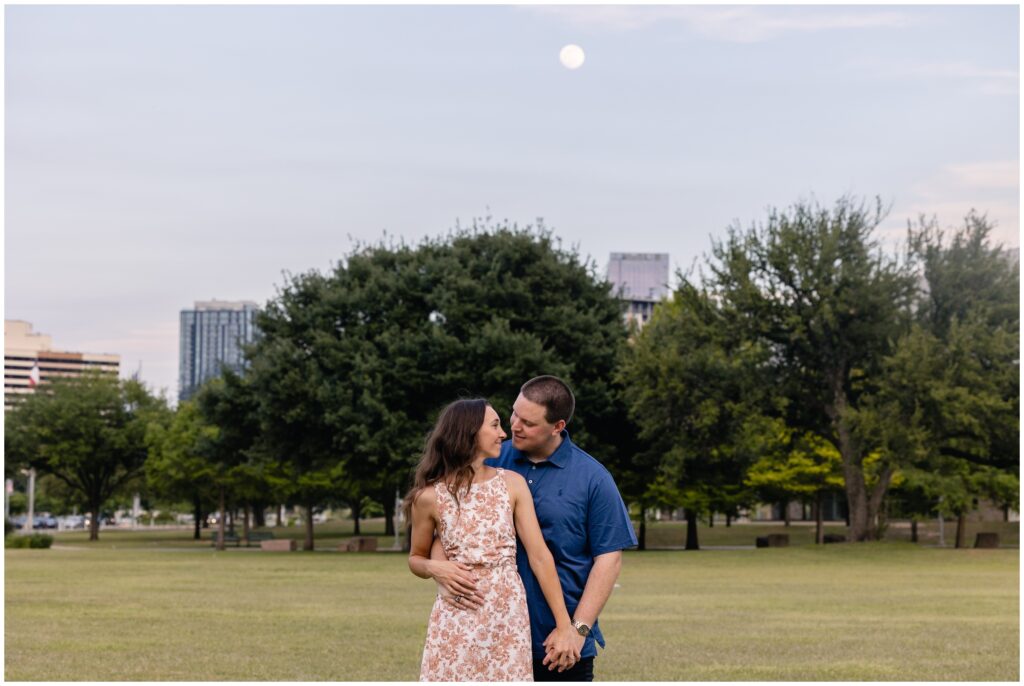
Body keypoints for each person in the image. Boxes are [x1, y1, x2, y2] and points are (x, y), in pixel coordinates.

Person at [429, 376, 637, 682]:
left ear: (558, 426)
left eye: (528, 422)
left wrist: (577, 630)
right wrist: (441, 572)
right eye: (514, 413)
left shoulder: (593, 478)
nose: (514, 426)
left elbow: (609, 560)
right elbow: (444, 524)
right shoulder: (488, 458)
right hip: (486, 633)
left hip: (555, 642)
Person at [405, 398, 580, 682]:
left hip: (506, 613)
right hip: (456, 613)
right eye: (496, 425)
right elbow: (416, 558)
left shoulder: (511, 483)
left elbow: (539, 556)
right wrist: (436, 569)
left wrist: (564, 624)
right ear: (469, 431)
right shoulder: (428, 497)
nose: (504, 433)